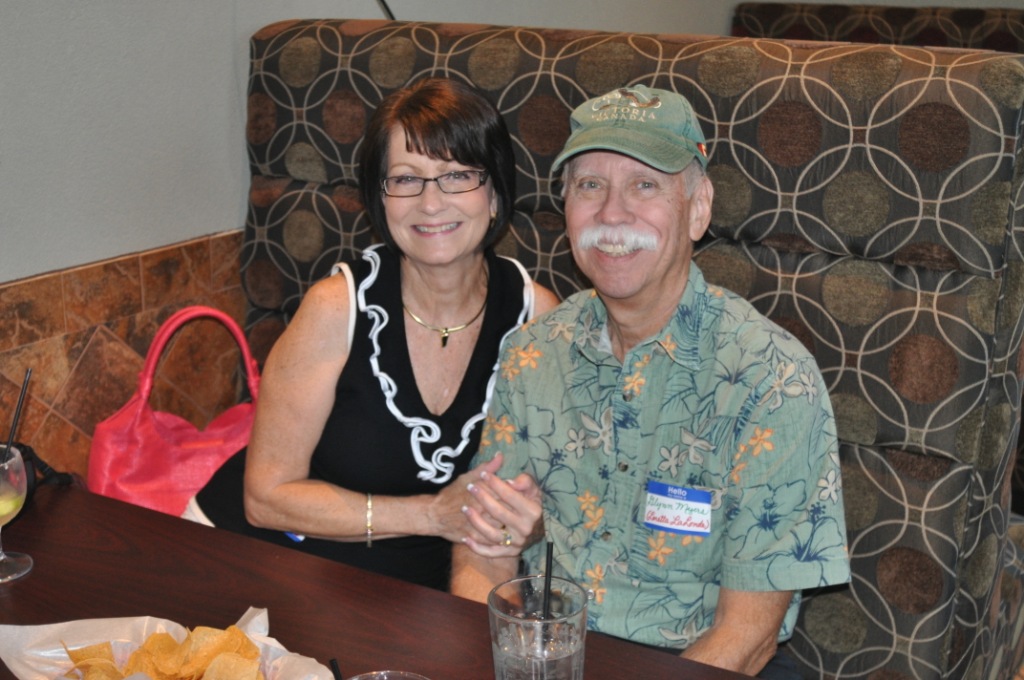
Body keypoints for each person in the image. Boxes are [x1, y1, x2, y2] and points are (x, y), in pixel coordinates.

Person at [450, 85, 850, 677]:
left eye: (645, 185)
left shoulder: (771, 380)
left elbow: (747, 637)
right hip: (550, 651)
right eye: (590, 186)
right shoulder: (534, 354)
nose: (612, 214)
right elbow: (484, 549)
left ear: (697, 208)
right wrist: (481, 657)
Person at [187, 77, 558, 591]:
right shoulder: (335, 308)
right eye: (406, 179)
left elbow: (543, 492)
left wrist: (529, 522)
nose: (431, 203)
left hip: (408, 594)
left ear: (495, 193)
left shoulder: (536, 317)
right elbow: (266, 497)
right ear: (380, 199)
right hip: (256, 558)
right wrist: (430, 515)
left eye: (457, 175)